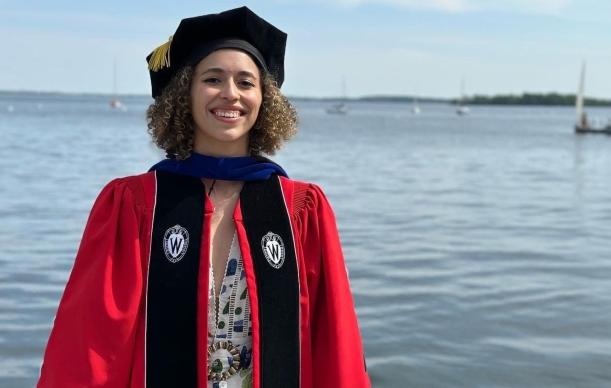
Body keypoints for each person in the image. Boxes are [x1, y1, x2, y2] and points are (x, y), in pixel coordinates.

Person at [37, 6, 370, 388]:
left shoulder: (300, 209)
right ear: (185, 94)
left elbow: (335, 340)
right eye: (213, 79)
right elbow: (89, 347)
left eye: (246, 82)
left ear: (264, 100)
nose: (231, 94)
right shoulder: (136, 204)